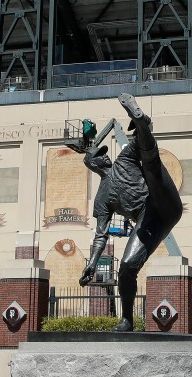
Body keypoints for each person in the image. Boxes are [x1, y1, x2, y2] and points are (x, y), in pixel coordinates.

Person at [79, 93, 184, 331]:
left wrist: (140, 123)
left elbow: (144, 141)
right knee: (126, 267)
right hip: (149, 222)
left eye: (104, 153)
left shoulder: (124, 158)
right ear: (93, 164)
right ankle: (127, 320)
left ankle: (137, 115)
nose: (105, 155)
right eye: (100, 155)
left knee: (151, 164)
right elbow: (100, 234)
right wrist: (92, 264)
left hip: (162, 201)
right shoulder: (102, 199)